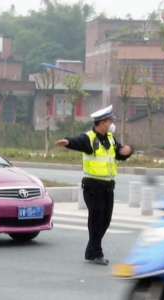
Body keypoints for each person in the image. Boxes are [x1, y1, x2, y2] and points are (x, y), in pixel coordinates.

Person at [55, 105, 133, 265]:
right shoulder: (89, 138)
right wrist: (67, 141)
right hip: (92, 186)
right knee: (96, 220)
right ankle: (96, 253)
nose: (112, 124)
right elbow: (78, 141)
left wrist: (128, 151)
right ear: (102, 123)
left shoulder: (110, 138)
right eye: (110, 121)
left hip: (108, 187)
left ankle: (91, 251)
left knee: (105, 221)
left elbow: (119, 153)